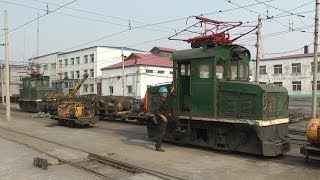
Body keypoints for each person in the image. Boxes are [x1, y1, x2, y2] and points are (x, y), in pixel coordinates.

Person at [154, 86, 182, 152]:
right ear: (161, 94)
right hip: (160, 117)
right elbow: (156, 111)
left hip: (166, 114)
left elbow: (169, 94)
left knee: (175, 117)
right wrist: (163, 117)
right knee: (162, 132)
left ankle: (178, 128)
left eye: (166, 93)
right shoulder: (158, 101)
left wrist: (172, 91)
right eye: (164, 93)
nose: (165, 94)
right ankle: (158, 147)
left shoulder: (165, 97)